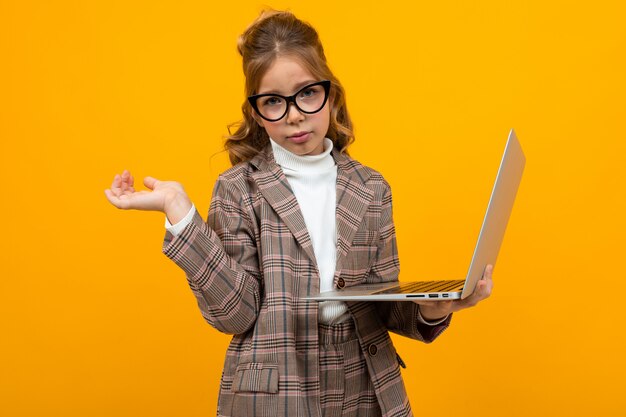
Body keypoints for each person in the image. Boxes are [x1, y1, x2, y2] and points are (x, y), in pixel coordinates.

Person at [104, 9, 493, 417]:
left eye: (308, 93)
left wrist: (432, 308)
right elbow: (236, 313)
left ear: (332, 93)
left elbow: (380, 299)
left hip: (365, 381)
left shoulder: (372, 187)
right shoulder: (238, 190)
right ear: (256, 112)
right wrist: (181, 215)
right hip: (277, 389)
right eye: (274, 101)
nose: (294, 114)